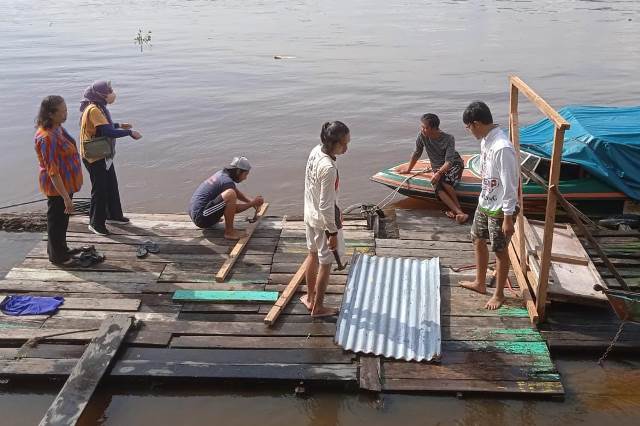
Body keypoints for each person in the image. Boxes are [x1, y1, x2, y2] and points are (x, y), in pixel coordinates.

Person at [459, 101, 519, 310]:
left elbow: (511, 184)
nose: (469, 131)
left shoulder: (502, 147)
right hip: (485, 201)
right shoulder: (485, 141)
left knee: (500, 251)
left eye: (468, 127)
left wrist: (509, 217)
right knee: (477, 239)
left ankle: (499, 294)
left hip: (501, 208)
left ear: (476, 123)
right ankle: (480, 282)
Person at [300, 121, 350, 317]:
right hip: (322, 222)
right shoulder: (328, 167)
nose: (346, 148)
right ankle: (318, 307)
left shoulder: (315, 151)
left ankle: (310, 298)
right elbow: (325, 205)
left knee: (312, 255)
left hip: (309, 215)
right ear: (332, 144)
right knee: (326, 263)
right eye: (343, 144)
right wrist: (333, 232)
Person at [79, 80, 142, 236]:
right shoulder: (93, 109)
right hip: (94, 156)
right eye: (109, 90)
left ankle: (114, 215)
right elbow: (108, 132)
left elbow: (104, 127)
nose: (112, 93)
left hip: (103, 154)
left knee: (111, 184)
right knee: (99, 190)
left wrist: (120, 125)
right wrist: (129, 133)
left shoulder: (98, 107)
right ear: (100, 94)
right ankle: (96, 223)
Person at [34, 95, 84, 266]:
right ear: (50, 114)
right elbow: (52, 171)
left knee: (62, 220)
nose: (65, 114)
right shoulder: (47, 137)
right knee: (56, 220)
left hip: (65, 183)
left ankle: (61, 249)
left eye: (66, 110)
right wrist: (65, 197)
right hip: (57, 186)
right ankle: (58, 257)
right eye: (62, 112)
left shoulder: (57, 128)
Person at [398, 113, 468, 223]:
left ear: (433, 128)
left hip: (454, 165)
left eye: (425, 127)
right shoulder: (422, 136)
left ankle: (458, 209)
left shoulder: (449, 138)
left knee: (443, 180)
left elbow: (449, 162)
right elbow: (417, 153)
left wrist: (439, 173)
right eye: (422, 127)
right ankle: (459, 212)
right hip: (438, 169)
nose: (422, 129)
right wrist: (408, 169)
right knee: (436, 185)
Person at [188, 156, 264, 239]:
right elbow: (233, 209)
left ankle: (213, 218)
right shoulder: (227, 182)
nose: (245, 178)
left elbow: (235, 191)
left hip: (195, 213)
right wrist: (252, 203)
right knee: (230, 194)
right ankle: (229, 232)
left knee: (231, 193)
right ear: (238, 171)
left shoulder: (222, 174)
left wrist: (250, 200)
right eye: (245, 174)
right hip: (201, 218)